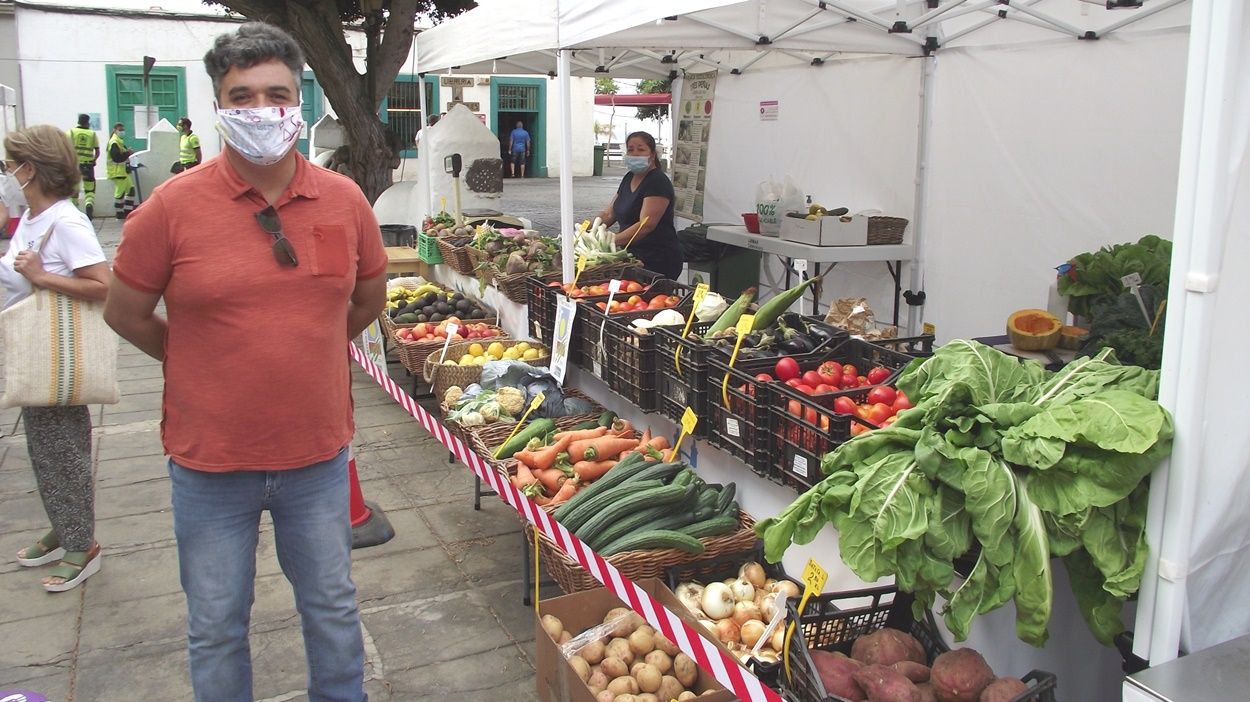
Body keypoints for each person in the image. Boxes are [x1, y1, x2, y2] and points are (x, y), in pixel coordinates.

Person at [104, 22, 385, 702]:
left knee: (331, 609)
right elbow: (125, 312)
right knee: (216, 623)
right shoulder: (169, 209)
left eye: (278, 94)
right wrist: (201, 357)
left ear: (300, 99)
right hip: (209, 466)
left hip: (317, 459)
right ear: (219, 105)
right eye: (243, 96)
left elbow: (368, 297)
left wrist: (309, 345)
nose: (262, 111)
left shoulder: (343, 200)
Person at [1, 125, 111, 592]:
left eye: (10, 166)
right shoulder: (31, 217)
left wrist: (44, 278)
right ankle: (63, 525)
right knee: (44, 451)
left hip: (55, 357)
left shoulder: (65, 223)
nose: (6, 174)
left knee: (63, 452)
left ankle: (81, 545)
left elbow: (103, 285)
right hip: (32, 351)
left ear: (31, 169)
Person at [595, 131, 683, 279]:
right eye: (630, 149)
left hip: (657, 259)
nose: (635, 154)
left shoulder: (657, 182)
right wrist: (585, 231)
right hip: (633, 257)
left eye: (641, 149)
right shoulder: (629, 178)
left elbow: (646, 225)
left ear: (652, 154)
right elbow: (610, 214)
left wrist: (611, 241)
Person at [68, 113, 99, 219]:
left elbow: (66, 148)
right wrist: (94, 160)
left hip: (75, 166)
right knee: (89, 189)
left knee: (74, 189)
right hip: (88, 166)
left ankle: (74, 212)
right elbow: (97, 151)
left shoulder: (71, 132)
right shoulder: (92, 134)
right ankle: (89, 204)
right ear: (87, 122)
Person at [105, 122, 136, 219]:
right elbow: (117, 157)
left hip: (122, 172)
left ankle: (127, 211)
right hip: (116, 172)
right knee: (120, 193)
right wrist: (128, 153)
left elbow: (122, 154)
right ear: (115, 130)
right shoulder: (114, 142)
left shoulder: (119, 142)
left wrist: (127, 152)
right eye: (120, 130)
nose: (122, 132)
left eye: (123, 130)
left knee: (131, 190)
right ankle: (119, 213)